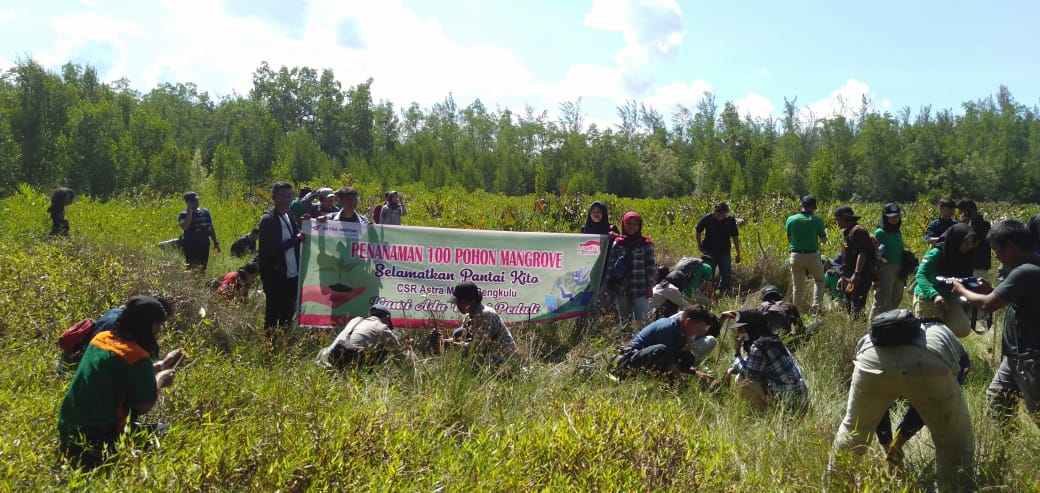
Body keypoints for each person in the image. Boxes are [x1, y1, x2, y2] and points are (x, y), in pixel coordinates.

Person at [826, 315, 973, 491]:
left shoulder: (878, 337)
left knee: (854, 429)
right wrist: (896, 441)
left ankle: (835, 487)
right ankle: (952, 487)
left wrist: (891, 443)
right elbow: (930, 406)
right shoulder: (950, 342)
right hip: (928, 361)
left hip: (870, 359)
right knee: (953, 440)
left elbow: (874, 410)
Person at [57, 295, 186, 469]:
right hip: (95, 439)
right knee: (169, 432)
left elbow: (122, 372)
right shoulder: (137, 355)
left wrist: (162, 364)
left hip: (67, 431)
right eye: (158, 324)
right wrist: (160, 380)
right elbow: (144, 405)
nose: (159, 329)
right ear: (147, 325)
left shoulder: (101, 338)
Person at [952, 220, 1040, 431]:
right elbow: (1004, 300)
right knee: (997, 399)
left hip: (1029, 357)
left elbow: (987, 305)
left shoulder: (1026, 271)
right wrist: (992, 290)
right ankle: (1004, 450)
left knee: (1037, 413)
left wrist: (960, 290)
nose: (996, 256)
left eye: (997, 250)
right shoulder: (1031, 267)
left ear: (1011, 246)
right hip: (1015, 357)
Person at [716, 310, 808, 412]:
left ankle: (767, 412)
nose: (738, 333)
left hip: (788, 402)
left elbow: (749, 374)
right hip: (800, 398)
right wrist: (731, 369)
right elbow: (751, 363)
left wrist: (737, 353)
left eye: (741, 329)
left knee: (741, 380)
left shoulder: (758, 347)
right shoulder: (771, 339)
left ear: (751, 328)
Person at [913, 223, 978, 338]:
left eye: (971, 243)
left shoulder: (967, 256)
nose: (968, 246)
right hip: (929, 297)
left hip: (950, 298)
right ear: (956, 240)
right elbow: (920, 276)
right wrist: (935, 295)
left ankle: (945, 343)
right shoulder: (937, 253)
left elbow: (964, 279)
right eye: (965, 242)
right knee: (931, 336)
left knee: (962, 329)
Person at [614, 305, 716, 379]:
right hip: (629, 361)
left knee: (688, 357)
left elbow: (673, 356)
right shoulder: (666, 327)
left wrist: (695, 372)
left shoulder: (680, 332)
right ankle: (634, 376)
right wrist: (683, 382)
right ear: (687, 322)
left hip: (650, 362)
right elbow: (669, 363)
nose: (698, 333)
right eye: (697, 329)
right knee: (661, 349)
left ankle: (657, 377)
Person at [258, 182, 305, 330]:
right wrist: (296, 239)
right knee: (272, 315)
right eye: (282, 196)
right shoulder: (268, 219)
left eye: (290, 196)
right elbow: (274, 248)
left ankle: (284, 345)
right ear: (273, 197)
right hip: (275, 277)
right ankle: (269, 348)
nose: (287, 199)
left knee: (288, 314)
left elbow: (298, 235)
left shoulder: (289, 214)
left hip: (292, 275)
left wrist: (310, 223)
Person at [444, 281, 517, 371]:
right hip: (488, 355)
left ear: (472, 300)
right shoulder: (469, 316)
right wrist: (442, 341)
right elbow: (462, 338)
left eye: (460, 302)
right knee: (458, 333)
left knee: (469, 362)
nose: (457, 305)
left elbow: (478, 348)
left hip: (504, 359)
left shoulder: (485, 315)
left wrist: (450, 345)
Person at [315, 303, 401, 371]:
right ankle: (364, 375)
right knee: (384, 350)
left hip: (324, 357)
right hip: (347, 364)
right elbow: (399, 355)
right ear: (387, 318)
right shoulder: (381, 327)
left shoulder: (355, 320)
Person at [606, 211, 655, 324]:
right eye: (628, 223)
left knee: (641, 320)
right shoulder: (618, 243)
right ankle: (627, 341)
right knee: (624, 321)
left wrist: (650, 285)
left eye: (634, 224)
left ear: (639, 226)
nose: (631, 227)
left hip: (640, 287)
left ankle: (641, 341)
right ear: (623, 224)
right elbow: (610, 265)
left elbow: (651, 266)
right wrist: (608, 285)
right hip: (621, 288)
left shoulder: (646, 244)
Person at [785, 196, 827, 314]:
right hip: (812, 255)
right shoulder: (817, 220)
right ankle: (816, 309)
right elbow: (823, 240)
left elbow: (789, 238)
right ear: (814, 207)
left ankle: (797, 314)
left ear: (801, 205)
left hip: (796, 255)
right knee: (819, 281)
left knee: (797, 287)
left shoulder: (791, 219)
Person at [834, 206, 875, 314]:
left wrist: (857, 274)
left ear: (844, 218)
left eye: (837, 219)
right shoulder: (849, 231)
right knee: (849, 307)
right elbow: (848, 258)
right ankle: (854, 328)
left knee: (856, 309)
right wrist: (843, 276)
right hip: (849, 276)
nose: (836, 222)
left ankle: (860, 329)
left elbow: (862, 253)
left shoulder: (858, 231)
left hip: (860, 277)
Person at [696, 202, 741, 294]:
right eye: (718, 213)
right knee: (708, 274)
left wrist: (738, 252)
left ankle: (719, 293)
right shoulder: (707, 219)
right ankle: (708, 294)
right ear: (715, 212)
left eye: (722, 214)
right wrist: (699, 245)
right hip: (709, 251)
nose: (720, 216)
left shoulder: (730, 221)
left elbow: (735, 236)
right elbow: (698, 231)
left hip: (724, 252)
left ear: (725, 213)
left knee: (726, 276)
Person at [648, 256, 715, 319]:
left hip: (647, 312)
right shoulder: (671, 289)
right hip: (648, 316)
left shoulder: (661, 285)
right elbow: (686, 306)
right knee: (709, 304)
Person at [871, 203, 905, 319]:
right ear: (885, 217)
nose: (894, 219)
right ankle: (874, 325)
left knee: (896, 298)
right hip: (885, 267)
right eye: (891, 217)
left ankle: (891, 323)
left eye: (896, 216)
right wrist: (875, 274)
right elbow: (876, 254)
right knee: (882, 299)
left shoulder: (898, 231)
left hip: (899, 267)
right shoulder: (880, 232)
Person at [178, 192, 220, 271]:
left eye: (197, 200)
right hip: (190, 246)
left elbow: (211, 228)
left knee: (203, 269)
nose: (197, 202)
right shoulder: (183, 215)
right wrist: (190, 211)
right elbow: (185, 227)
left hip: (204, 245)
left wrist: (216, 242)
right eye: (194, 201)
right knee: (191, 269)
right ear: (188, 202)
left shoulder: (205, 212)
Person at [957, 198, 992, 280]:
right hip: (970, 263)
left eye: (963, 212)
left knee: (978, 289)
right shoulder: (970, 224)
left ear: (970, 211)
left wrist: (964, 226)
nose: (962, 215)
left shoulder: (983, 225)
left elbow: (973, 244)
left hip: (979, 264)